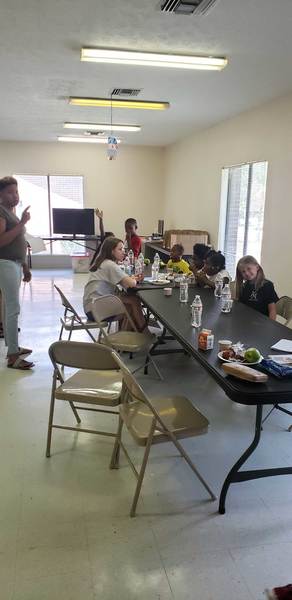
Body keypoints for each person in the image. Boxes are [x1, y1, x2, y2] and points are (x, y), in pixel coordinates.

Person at [0, 176, 34, 369]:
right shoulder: (1, 212)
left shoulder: (9, 212)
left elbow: (17, 244)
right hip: (5, 264)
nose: (15, 195)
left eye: (16, 191)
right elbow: (2, 241)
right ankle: (13, 357)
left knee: (9, 308)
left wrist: (25, 267)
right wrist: (21, 223)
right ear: (0, 195)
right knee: (13, 309)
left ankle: (12, 346)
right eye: (10, 192)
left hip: (14, 264)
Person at [83, 237, 147, 331]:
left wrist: (131, 279)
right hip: (96, 310)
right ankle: (144, 332)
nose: (123, 252)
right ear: (112, 251)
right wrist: (135, 280)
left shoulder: (103, 262)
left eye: (124, 249)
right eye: (120, 249)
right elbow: (131, 284)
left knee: (130, 304)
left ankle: (127, 336)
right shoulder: (110, 265)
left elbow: (124, 281)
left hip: (90, 307)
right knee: (133, 302)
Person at [235, 255, 278, 319]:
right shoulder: (244, 286)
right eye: (243, 271)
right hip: (246, 320)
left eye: (249, 269)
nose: (246, 273)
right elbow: (241, 306)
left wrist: (270, 327)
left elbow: (272, 311)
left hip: (262, 323)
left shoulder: (267, 285)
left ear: (257, 267)